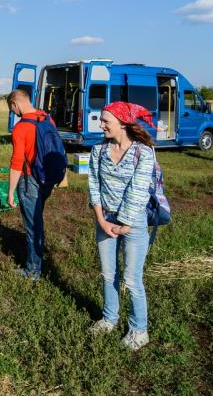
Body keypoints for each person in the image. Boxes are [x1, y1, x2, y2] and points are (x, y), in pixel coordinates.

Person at [87, 101, 155, 351]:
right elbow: (94, 185)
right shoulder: (98, 151)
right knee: (108, 274)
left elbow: (138, 191)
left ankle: (139, 330)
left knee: (131, 279)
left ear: (123, 123)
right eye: (101, 120)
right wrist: (101, 220)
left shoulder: (143, 152)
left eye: (106, 121)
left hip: (133, 222)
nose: (101, 125)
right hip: (105, 219)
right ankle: (109, 319)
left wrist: (124, 223)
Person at [6, 89, 55, 280]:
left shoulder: (21, 128)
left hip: (30, 180)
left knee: (33, 226)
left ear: (15, 104)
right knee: (37, 220)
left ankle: (33, 270)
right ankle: (38, 258)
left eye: (12, 109)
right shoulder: (46, 118)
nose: (13, 112)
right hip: (47, 179)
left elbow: (17, 162)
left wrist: (11, 191)